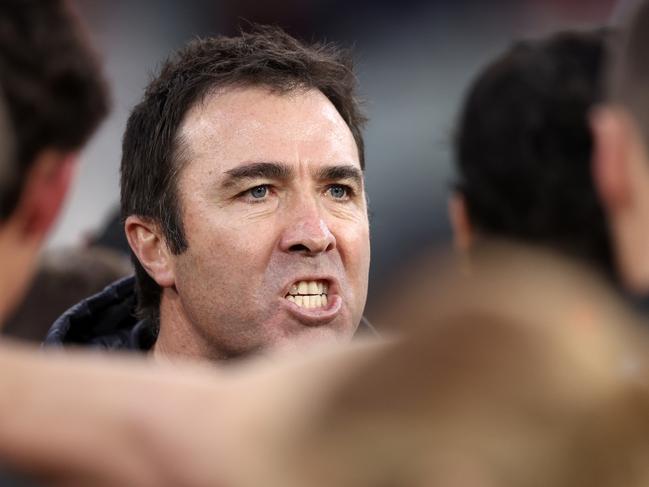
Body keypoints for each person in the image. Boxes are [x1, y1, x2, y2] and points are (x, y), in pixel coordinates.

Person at [46, 27, 375, 360]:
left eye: (338, 191)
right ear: (155, 247)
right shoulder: (35, 412)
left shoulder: (423, 406)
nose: (317, 235)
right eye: (258, 192)